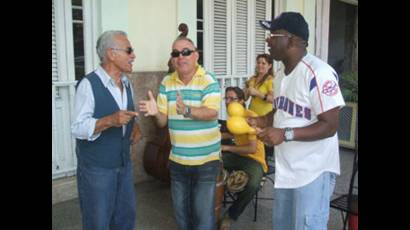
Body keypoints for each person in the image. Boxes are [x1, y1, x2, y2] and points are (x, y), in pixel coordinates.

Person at [255, 12, 346, 230]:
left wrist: (284, 133)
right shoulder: (280, 75)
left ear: (293, 40)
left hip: (313, 171)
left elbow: (330, 126)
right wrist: (262, 120)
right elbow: (281, 110)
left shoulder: (319, 73)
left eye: (273, 34)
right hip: (287, 170)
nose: (268, 40)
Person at [139, 36, 222, 230]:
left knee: (203, 217)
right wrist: (155, 112)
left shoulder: (208, 79)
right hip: (178, 161)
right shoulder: (167, 81)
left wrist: (186, 110)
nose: (180, 57)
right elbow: (162, 121)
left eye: (186, 52)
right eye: (175, 53)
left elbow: (212, 112)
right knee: (181, 215)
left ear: (196, 56)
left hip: (206, 161)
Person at [71, 30, 141, 230]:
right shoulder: (88, 85)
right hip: (97, 169)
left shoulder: (127, 84)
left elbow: (127, 115)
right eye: (129, 50)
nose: (133, 55)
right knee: (98, 222)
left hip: (123, 164)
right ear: (111, 53)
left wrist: (134, 127)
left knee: (125, 219)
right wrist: (109, 120)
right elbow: (77, 128)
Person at [219, 86, 268, 230]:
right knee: (211, 162)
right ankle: (223, 183)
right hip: (238, 155)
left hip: (255, 160)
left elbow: (251, 149)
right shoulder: (233, 117)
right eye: (226, 98)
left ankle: (231, 215)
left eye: (232, 99)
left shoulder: (250, 117)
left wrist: (227, 148)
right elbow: (235, 134)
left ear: (241, 101)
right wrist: (217, 136)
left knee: (253, 185)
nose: (227, 102)